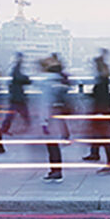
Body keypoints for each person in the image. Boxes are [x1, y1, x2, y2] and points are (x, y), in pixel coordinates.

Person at [82, 49, 110, 174]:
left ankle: (109, 163)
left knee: (104, 138)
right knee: (99, 136)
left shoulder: (101, 81)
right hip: (102, 112)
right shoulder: (104, 80)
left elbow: (100, 96)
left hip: (100, 112)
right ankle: (95, 154)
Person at [38, 54, 68, 182]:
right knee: (53, 145)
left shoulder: (46, 82)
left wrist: (43, 121)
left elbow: (45, 102)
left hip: (49, 117)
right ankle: (56, 170)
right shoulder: (58, 80)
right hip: (57, 115)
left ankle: (55, 171)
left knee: (52, 145)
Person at [1, 52, 32, 135]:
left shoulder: (13, 68)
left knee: (11, 115)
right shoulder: (16, 69)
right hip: (18, 97)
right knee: (23, 115)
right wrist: (27, 79)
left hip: (15, 96)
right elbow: (19, 78)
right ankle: (29, 128)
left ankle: (4, 129)